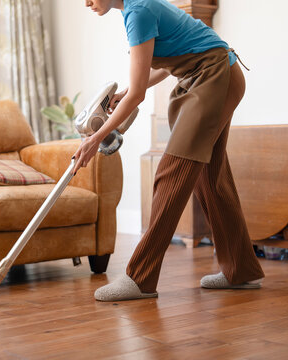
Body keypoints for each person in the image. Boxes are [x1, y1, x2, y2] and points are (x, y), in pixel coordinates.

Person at [73, 0, 265, 301]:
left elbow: (137, 94)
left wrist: (96, 137)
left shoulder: (139, 11)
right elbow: (162, 66)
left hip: (214, 77)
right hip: (214, 77)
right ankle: (240, 269)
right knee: (210, 177)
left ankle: (140, 278)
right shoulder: (135, 9)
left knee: (172, 172)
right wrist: (124, 92)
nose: (86, 3)